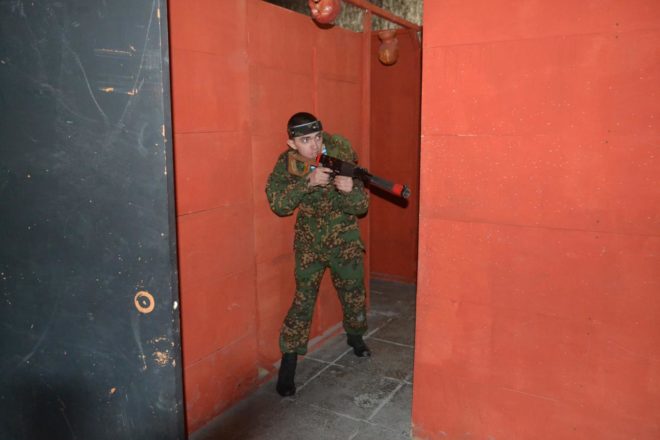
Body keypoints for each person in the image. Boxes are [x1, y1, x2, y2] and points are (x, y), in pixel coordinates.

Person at [266, 112, 371, 397]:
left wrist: (350, 191)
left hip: (344, 239)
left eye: (317, 137)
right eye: (305, 140)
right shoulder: (287, 164)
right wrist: (308, 183)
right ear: (292, 143)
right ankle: (289, 360)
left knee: (354, 293)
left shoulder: (341, 152)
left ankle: (356, 336)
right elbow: (279, 204)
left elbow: (361, 206)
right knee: (303, 301)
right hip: (310, 243)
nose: (314, 145)